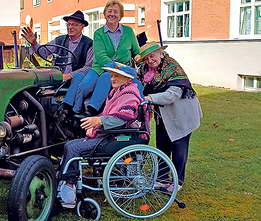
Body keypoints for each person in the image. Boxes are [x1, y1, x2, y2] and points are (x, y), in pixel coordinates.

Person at [57, 62, 147, 208]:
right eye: (111, 76)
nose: (112, 79)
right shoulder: (117, 92)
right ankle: (66, 185)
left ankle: (69, 193)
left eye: (117, 76)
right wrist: (96, 125)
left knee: (74, 148)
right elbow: (108, 114)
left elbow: (122, 117)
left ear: (127, 78)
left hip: (121, 137)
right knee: (69, 144)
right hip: (112, 135)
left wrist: (98, 121)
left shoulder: (130, 93)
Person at [136, 41, 202, 192]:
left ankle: (178, 182)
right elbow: (134, 74)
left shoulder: (172, 67)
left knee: (179, 148)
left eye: (152, 56)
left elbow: (173, 95)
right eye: (146, 58)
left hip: (181, 114)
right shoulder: (146, 69)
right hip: (163, 115)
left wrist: (149, 98)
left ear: (161, 53)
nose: (149, 60)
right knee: (162, 146)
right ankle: (162, 179)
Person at [64, 0, 140, 119]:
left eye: (116, 11)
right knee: (85, 85)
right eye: (109, 11)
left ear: (120, 16)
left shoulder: (129, 32)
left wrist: (140, 60)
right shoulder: (99, 33)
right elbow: (100, 56)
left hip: (120, 70)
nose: (112, 14)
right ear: (105, 14)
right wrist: (114, 67)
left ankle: (91, 110)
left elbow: (136, 51)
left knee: (105, 79)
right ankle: (75, 111)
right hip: (98, 67)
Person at [21, 10, 93, 93]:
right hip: (57, 81)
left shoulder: (89, 44)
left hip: (76, 83)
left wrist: (69, 75)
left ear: (82, 26)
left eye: (74, 25)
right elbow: (44, 52)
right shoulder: (59, 40)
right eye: (68, 24)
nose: (70, 27)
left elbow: (88, 68)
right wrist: (34, 43)